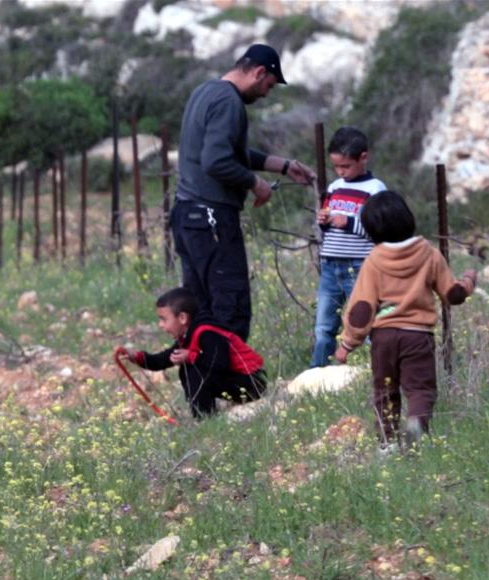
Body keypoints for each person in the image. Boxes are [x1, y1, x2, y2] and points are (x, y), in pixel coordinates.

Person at [171, 43, 316, 341]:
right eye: (268, 85)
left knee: (198, 310)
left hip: (186, 215)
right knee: (229, 309)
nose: (265, 93)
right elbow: (216, 161)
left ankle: (201, 385)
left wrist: (282, 165)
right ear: (259, 72)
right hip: (211, 219)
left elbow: (225, 150)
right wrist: (255, 183)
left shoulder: (206, 91)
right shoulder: (229, 102)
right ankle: (232, 384)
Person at [333, 191, 478, 450]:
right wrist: (467, 282)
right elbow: (451, 294)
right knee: (420, 389)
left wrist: (347, 343)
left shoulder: (374, 261)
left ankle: (387, 444)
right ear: (407, 218)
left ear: (371, 230)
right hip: (417, 335)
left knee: (384, 391)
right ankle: (416, 426)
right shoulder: (429, 254)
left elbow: (362, 308)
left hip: (384, 338)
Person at [120, 287, 267, 419]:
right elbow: (163, 360)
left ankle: (204, 419)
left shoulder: (207, 333)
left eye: (164, 319)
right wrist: (137, 357)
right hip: (238, 382)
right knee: (191, 368)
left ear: (182, 318)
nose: (161, 325)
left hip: (253, 381)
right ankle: (204, 416)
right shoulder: (187, 336)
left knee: (193, 370)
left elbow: (221, 363)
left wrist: (190, 356)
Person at [310, 126, 387, 367]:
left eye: (346, 166)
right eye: (336, 167)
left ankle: (369, 371)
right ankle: (317, 372)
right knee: (323, 326)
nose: (341, 172)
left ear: (363, 158)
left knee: (361, 321)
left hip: (360, 266)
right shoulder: (334, 188)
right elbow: (325, 227)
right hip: (331, 265)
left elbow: (380, 229)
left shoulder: (375, 189)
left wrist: (350, 222)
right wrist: (323, 222)